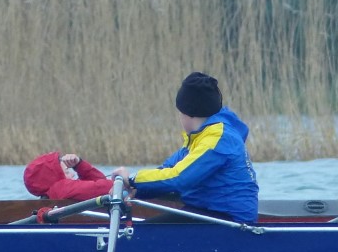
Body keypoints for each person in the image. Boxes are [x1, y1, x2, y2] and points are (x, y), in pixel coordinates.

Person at [111, 72, 259, 224]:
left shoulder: (218, 139)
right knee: (145, 230)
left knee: (142, 233)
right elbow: (167, 169)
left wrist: (131, 179)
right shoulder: (201, 136)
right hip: (209, 210)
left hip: (232, 221)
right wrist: (137, 190)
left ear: (187, 113)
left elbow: (178, 178)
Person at [23, 152, 115, 202]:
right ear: (54, 178)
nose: (73, 174)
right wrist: (120, 180)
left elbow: (101, 183)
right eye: (67, 171)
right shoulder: (61, 188)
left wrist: (79, 165)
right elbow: (104, 188)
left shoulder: (53, 193)